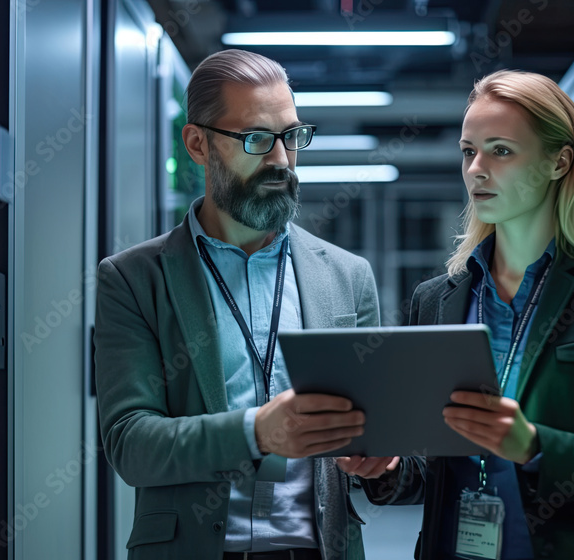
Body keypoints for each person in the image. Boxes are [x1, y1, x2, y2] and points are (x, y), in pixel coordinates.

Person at [341, 70, 574, 560]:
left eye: (500, 151)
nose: (476, 169)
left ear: (559, 162)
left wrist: (534, 446)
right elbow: (430, 470)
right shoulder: (435, 300)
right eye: (467, 150)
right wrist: (389, 467)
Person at [94, 49, 380, 560]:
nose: (280, 160)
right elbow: (131, 445)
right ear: (197, 144)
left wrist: (380, 455)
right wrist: (256, 432)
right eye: (256, 139)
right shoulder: (135, 278)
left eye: (291, 137)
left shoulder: (348, 277)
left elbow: (370, 432)